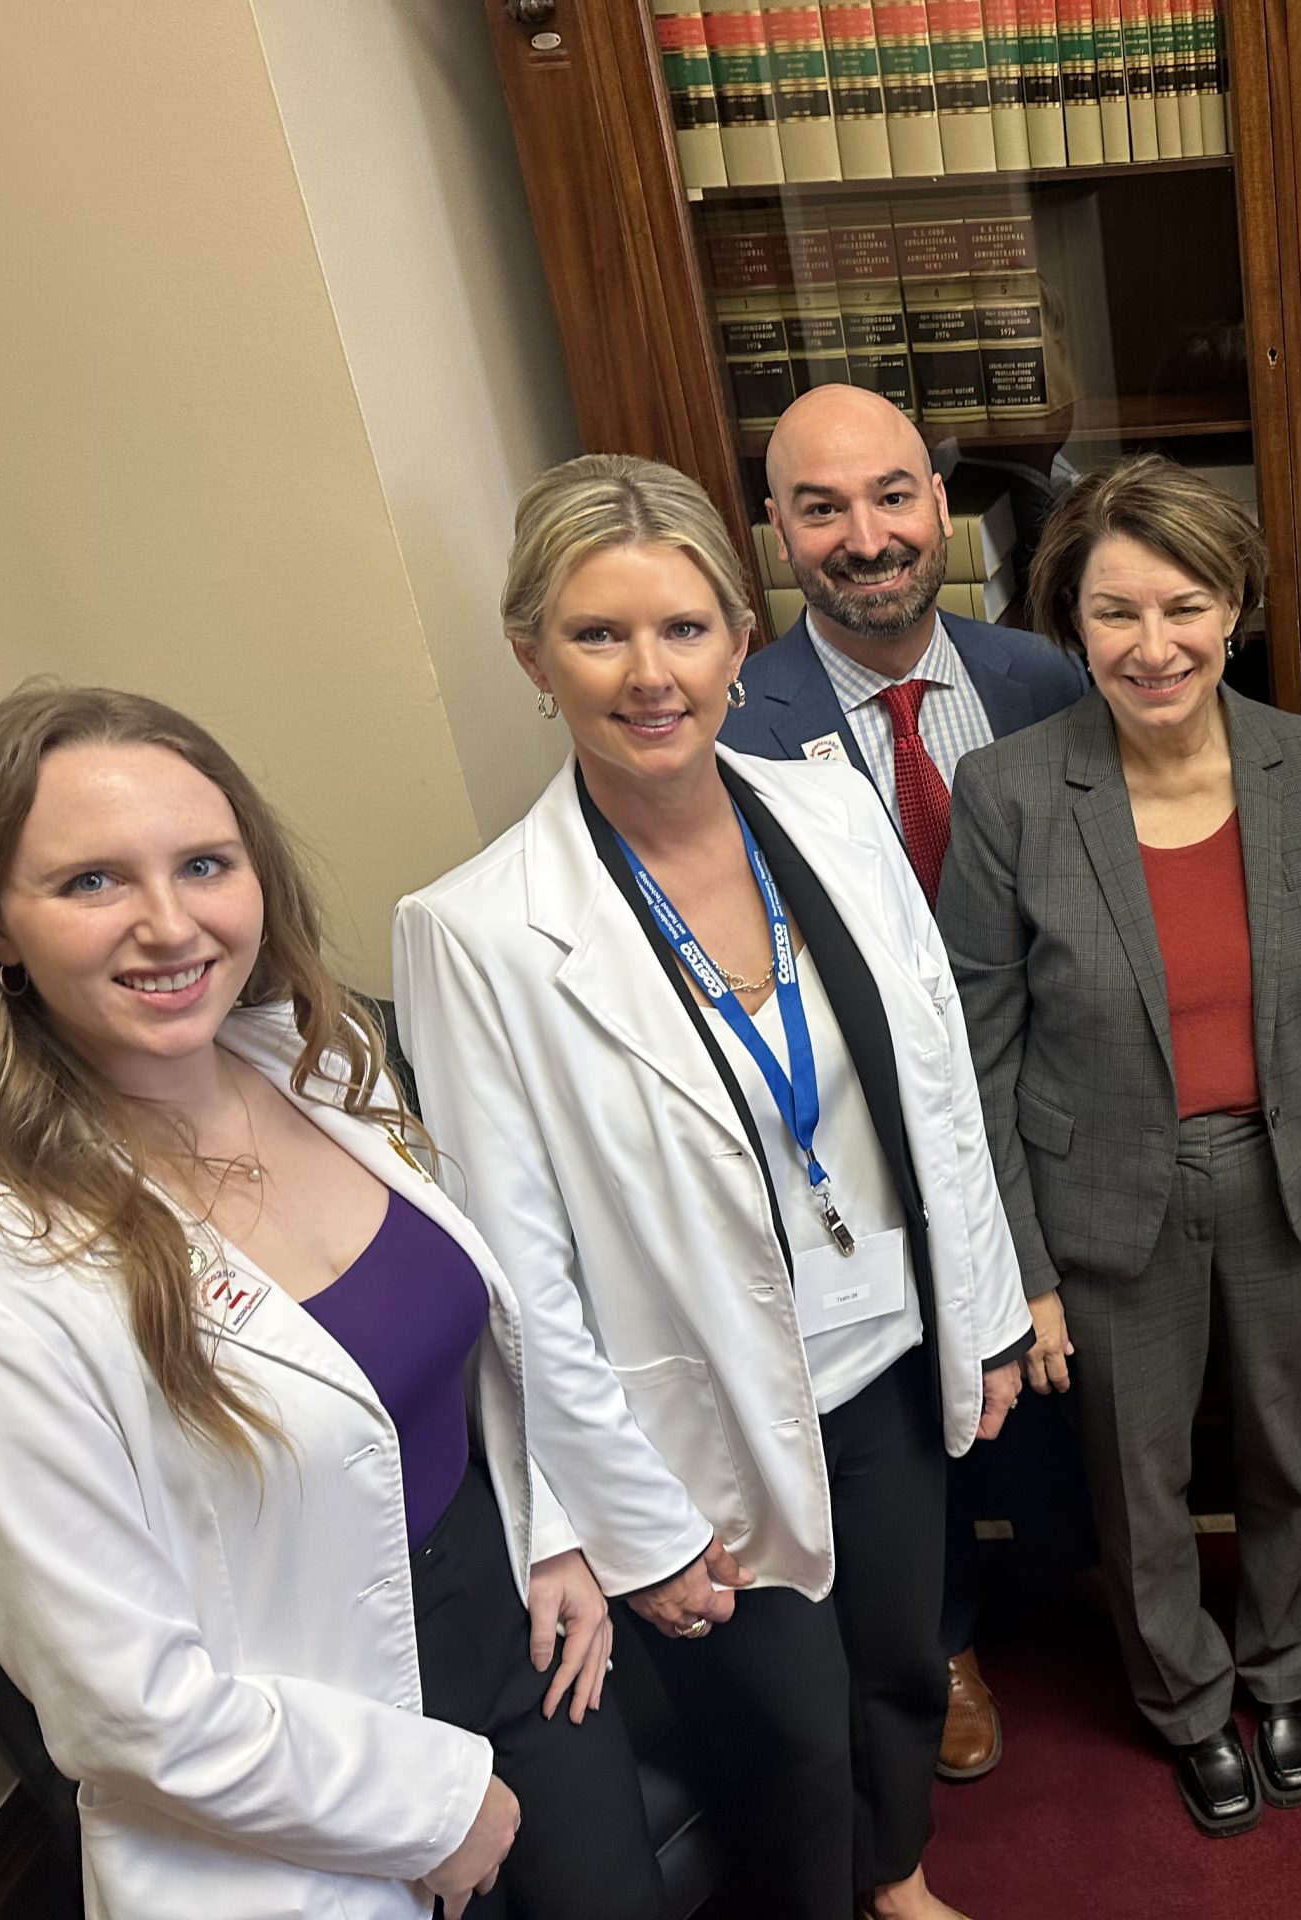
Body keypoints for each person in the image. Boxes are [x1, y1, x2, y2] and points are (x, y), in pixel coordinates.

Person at [394, 453, 1033, 1920]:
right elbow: (517, 1268)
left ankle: (900, 1877)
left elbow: (934, 1086)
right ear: (530, 655)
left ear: (741, 636)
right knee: (789, 1732)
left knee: (893, 1663)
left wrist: (985, 1316)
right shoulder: (476, 931)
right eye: (597, 635)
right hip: (696, 1416)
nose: (648, 675)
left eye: (682, 628)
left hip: (885, 1349)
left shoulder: (833, 813)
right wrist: (631, 1521)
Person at [0, 687, 687, 1920]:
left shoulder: (316, 1059)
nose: (168, 923)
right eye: (91, 883)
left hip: (507, 1623)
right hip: (298, 1750)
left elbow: (470, 1350)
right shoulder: (12, 1269)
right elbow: (119, 1706)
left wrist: (549, 1528)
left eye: (204, 864)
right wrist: (427, 1804)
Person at [935, 454, 1301, 1836]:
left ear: (1237, 607)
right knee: (1139, 1484)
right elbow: (980, 1053)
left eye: (1184, 607)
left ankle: (1282, 1674)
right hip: (1102, 1204)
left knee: (1287, 1455)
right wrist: (1020, 1277)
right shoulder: (1011, 789)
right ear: (1069, 625)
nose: (1154, 647)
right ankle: (1190, 1702)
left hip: (1288, 1179)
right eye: (1114, 613)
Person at [722, 381, 1094, 1782]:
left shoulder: (1040, 682)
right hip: (846, 1148)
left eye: (890, 496)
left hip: (1033, 1114)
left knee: (1052, 1382)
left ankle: (1076, 1574)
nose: (864, 536)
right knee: (896, 1413)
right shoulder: (731, 719)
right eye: (822, 508)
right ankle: (938, 1638)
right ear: (777, 530)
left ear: (942, 505)